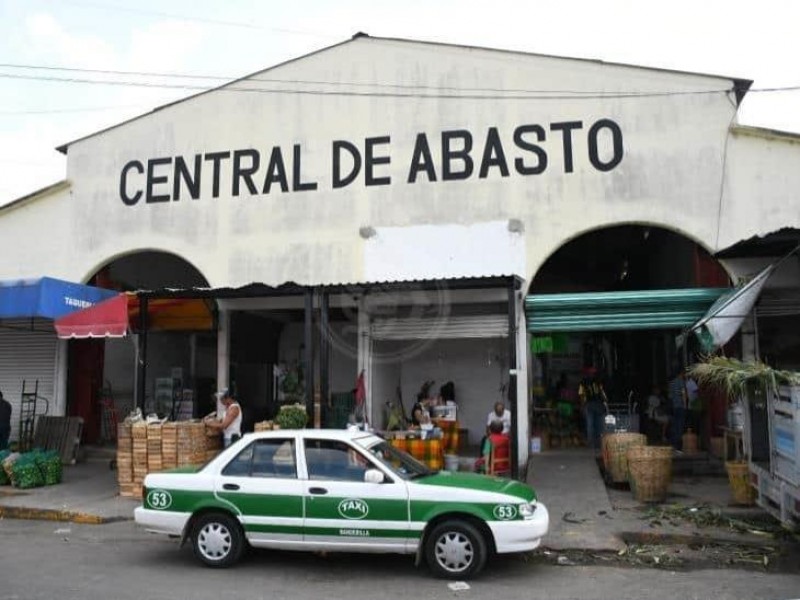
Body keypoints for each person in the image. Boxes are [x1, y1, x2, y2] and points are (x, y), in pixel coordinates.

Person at [578, 367, 608, 451]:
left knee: (591, 425)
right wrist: (605, 401)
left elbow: (581, 395)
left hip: (590, 404)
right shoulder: (598, 381)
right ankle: (597, 444)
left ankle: (592, 444)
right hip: (596, 404)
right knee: (598, 425)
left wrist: (582, 405)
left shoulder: (583, 382)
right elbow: (602, 393)